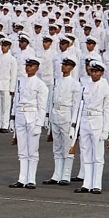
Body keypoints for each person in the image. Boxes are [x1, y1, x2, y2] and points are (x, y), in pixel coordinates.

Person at [8, 57, 49, 189]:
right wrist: (12, 118)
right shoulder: (20, 81)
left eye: (31, 66)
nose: (28, 68)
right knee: (22, 151)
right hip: (20, 116)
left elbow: (42, 106)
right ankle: (22, 179)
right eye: (27, 65)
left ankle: (31, 179)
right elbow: (16, 100)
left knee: (32, 151)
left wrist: (39, 124)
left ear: (37, 68)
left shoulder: (40, 85)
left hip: (33, 117)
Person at [74, 60, 109, 194]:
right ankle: (87, 183)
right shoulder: (85, 86)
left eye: (97, 71)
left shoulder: (106, 89)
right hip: (85, 120)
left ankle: (96, 184)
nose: (94, 74)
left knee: (97, 156)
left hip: (98, 121)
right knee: (86, 154)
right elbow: (78, 107)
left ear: (102, 73)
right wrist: (75, 126)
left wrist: (106, 130)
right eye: (92, 71)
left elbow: (108, 111)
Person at [42, 56, 81, 186]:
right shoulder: (56, 81)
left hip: (67, 116)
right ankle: (56, 174)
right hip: (55, 114)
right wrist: (48, 117)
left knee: (67, 147)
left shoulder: (75, 84)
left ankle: (66, 175)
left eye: (67, 65)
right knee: (57, 147)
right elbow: (50, 99)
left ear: (72, 67)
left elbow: (76, 105)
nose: (64, 67)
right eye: (63, 64)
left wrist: (74, 123)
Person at [0, 38, 17, 133]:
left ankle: (5, 125)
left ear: (9, 47)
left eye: (5, 46)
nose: (3, 47)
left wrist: (12, 88)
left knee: (6, 106)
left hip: (6, 85)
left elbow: (13, 75)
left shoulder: (12, 59)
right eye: (2, 45)